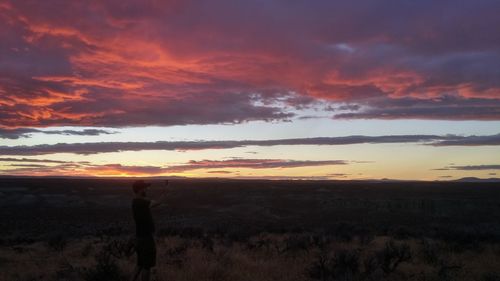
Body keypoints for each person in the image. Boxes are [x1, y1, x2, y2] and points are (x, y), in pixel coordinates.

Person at [130, 179, 169, 281]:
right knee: (146, 266)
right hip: (146, 238)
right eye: (145, 187)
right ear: (140, 189)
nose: (146, 189)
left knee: (140, 264)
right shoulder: (141, 202)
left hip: (139, 237)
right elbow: (158, 202)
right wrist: (165, 191)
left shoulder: (136, 202)